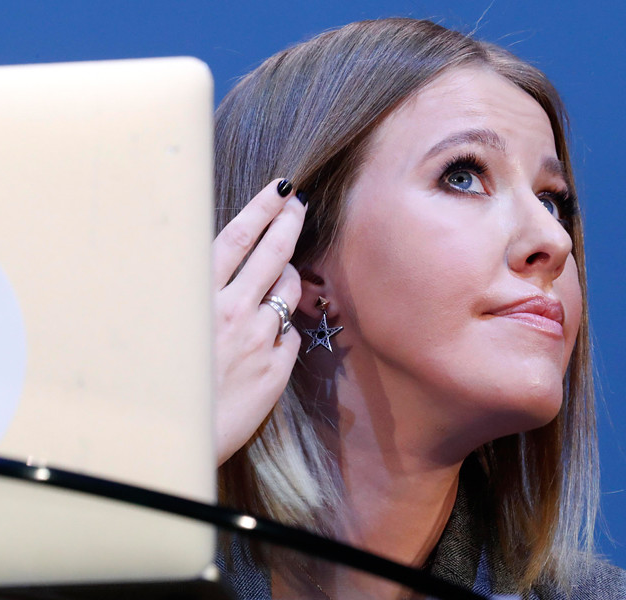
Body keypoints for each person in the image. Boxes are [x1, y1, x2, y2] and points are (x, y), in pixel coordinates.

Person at [211, 18, 626, 599]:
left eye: (553, 202)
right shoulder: (102, 566)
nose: (554, 241)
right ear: (297, 259)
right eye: (463, 176)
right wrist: (160, 465)